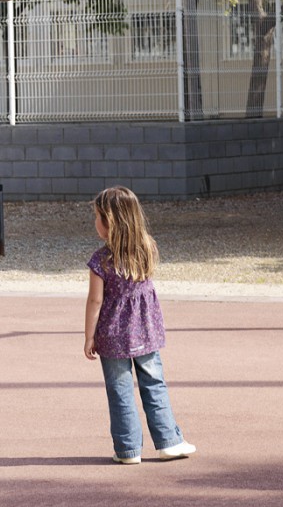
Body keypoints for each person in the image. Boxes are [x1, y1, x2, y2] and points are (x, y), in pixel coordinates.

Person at [83, 185, 196, 464]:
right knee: (154, 383)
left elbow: (95, 301)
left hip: (111, 335)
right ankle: (169, 441)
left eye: (98, 217)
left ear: (110, 223)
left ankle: (127, 449)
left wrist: (88, 336)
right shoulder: (146, 248)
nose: (94, 223)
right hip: (145, 330)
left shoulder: (101, 260)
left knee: (119, 390)